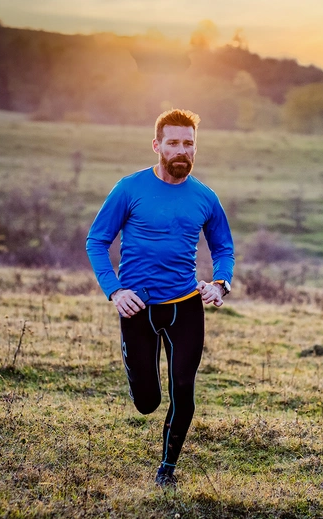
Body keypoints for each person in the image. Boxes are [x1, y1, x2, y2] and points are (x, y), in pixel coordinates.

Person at [86, 108, 235, 489]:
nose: (181, 149)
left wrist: (220, 283)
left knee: (183, 387)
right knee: (147, 402)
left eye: (188, 143)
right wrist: (115, 290)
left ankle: (167, 469)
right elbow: (97, 241)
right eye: (173, 142)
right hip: (137, 305)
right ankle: (138, 379)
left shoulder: (205, 197)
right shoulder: (129, 189)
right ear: (157, 145)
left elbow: (224, 248)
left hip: (186, 305)